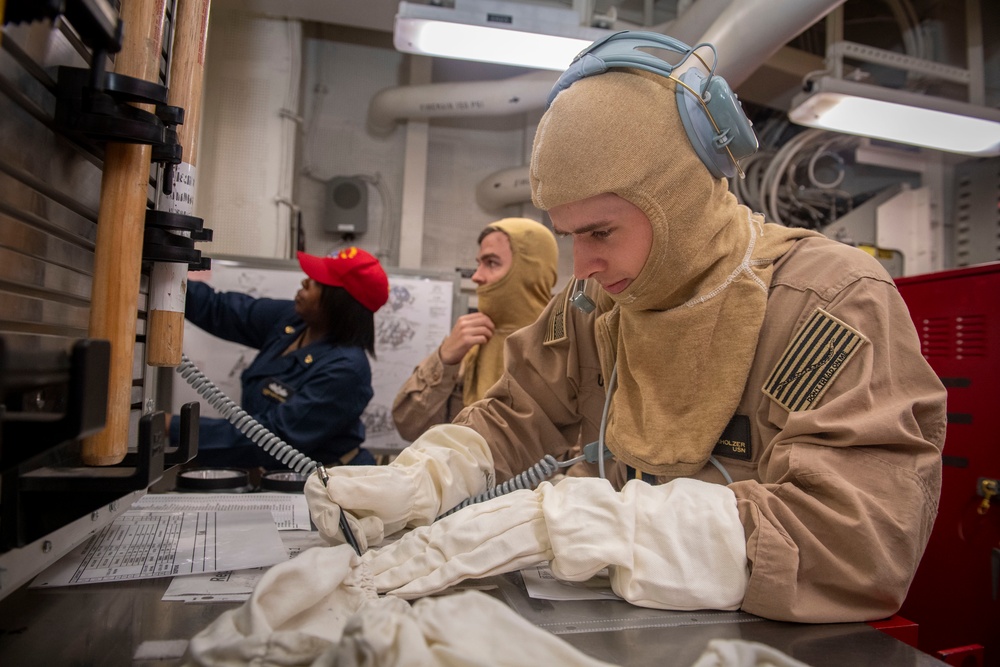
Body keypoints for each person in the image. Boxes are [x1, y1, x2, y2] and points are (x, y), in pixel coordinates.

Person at [304, 32, 946, 624]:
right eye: (568, 235)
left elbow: (859, 542)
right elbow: (514, 415)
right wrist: (424, 477)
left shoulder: (827, 301)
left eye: (600, 231)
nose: (580, 265)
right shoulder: (595, 303)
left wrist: (582, 528)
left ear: (680, 200)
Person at [170, 247, 389, 469]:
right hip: (276, 475)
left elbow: (272, 439)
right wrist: (166, 279)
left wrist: (175, 429)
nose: (306, 282)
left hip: (319, 485)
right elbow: (221, 310)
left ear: (341, 302)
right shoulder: (293, 321)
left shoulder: (346, 370)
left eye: (319, 281)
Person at [391, 218, 558, 441]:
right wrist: (444, 359)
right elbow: (407, 426)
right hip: (459, 474)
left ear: (529, 271)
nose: (477, 276)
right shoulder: (467, 343)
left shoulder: (562, 349)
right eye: (479, 263)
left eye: (491, 263)